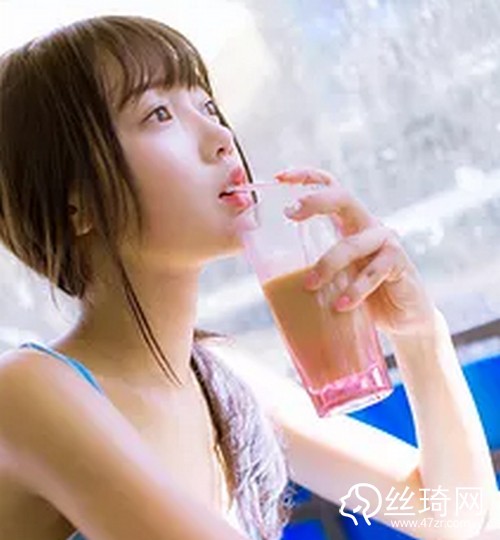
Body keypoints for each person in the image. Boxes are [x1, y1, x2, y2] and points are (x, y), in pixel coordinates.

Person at [0, 14, 497, 540]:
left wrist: (418, 332)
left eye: (207, 106)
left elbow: (453, 515)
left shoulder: (222, 380)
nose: (221, 137)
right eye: (159, 113)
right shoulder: (27, 393)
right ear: (75, 205)